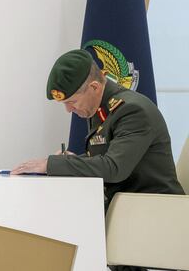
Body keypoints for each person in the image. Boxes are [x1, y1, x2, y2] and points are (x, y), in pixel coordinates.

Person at [12, 49, 184, 271]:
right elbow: (107, 157)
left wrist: (51, 164)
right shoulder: (101, 108)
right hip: (125, 213)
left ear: (94, 87)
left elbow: (114, 168)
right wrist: (74, 160)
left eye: (72, 102)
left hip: (153, 218)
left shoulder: (132, 110)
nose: (68, 110)